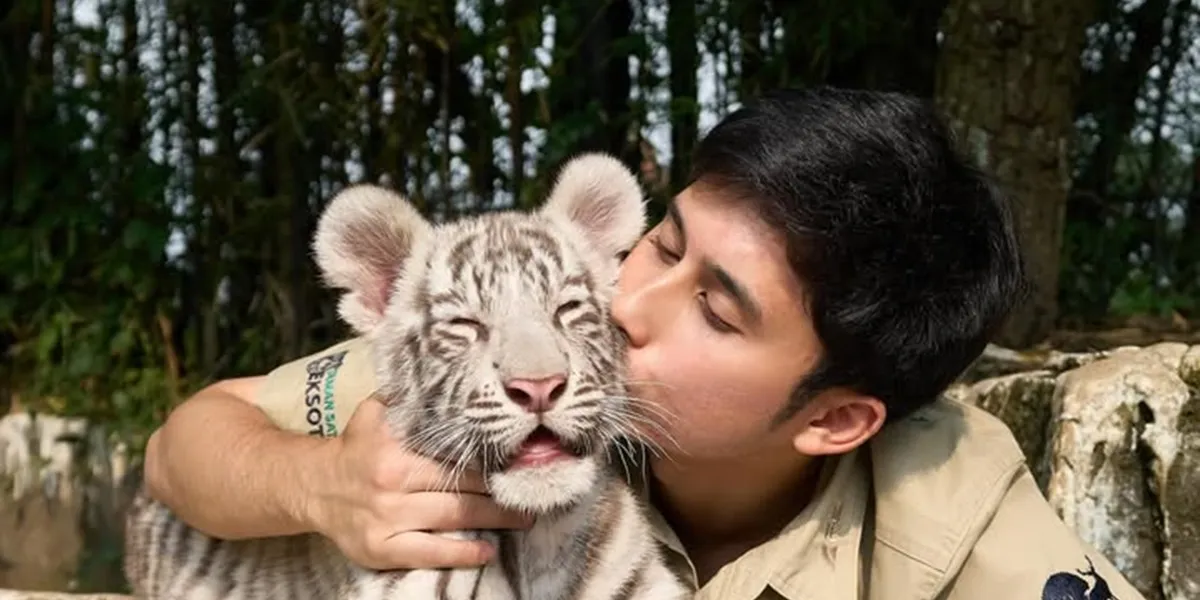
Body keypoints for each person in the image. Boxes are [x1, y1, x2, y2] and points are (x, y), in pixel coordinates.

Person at [143, 87, 1146, 599]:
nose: (625, 304)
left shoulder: (955, 505)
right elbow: (184, 446)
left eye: (714, 310)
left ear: (838, 418)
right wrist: (319, 484)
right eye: (659, 242)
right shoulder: (523, 348)